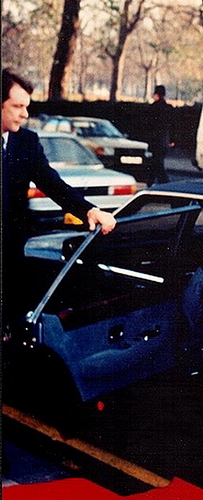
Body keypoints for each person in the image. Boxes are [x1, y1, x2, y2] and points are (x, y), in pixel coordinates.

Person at [1, 67, 116, 329]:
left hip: (11, 256)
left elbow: (53, 184)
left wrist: (89, 210)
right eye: (17, 106)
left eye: (26, 106)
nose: (25, 114)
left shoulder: (27, 142)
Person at [146, 85, 175, 186]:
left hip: (155, 140)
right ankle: (150, 182)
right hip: (165, 140)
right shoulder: (169, 108)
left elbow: (148, 125)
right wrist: (172, 140)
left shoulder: (153, 108)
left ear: (156, 95)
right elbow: (173, 126)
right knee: (157, 162)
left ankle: (165, 183)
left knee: (157, 163)